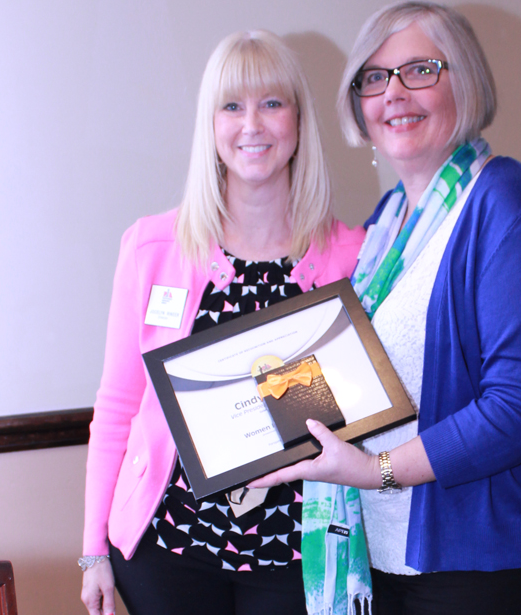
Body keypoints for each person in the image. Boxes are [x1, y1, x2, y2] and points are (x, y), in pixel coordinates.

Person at [250, 1, 521, 614]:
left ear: (464, 82)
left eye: (420, 69)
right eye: (374, 77)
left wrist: (374, 471)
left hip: (500, 552)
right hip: (391, 550)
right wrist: (255, 422)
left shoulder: (510, 204)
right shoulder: (390, 222)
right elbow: (364, 369)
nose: (393, 92)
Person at [80, 30, 366, 615]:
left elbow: (366, 410)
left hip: (297, 556)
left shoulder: (353, 255)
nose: (251, 125)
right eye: (231, 106)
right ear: (210, 126)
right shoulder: (152, 248)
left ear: (299, 121)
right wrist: (93, 555)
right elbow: (115, 410)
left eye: (271, 103)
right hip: (166, 554)